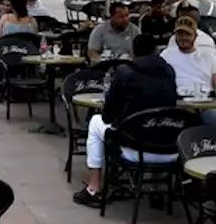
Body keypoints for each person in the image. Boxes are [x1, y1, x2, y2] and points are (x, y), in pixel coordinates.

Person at [73, 34, 179, 208]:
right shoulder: (169, 71)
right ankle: (156, 187)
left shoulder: (125, 72)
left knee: (95, 123)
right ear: (155, 51)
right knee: (154, 123)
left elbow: (109, 114)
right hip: (169, 150)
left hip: (135, 148)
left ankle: (94, 188)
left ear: (133, 52)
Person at [160, 17, 216, 127]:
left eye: (187, 34)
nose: (183, 38)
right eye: (180, 34)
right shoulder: (166, 55)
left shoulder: (207, 55)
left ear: (195, 36)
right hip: (180, 101)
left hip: (206, 101)